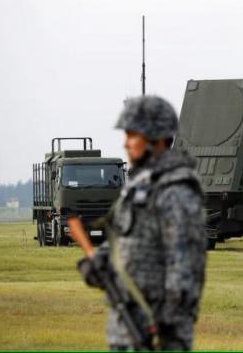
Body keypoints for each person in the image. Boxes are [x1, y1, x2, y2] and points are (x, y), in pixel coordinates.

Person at [78, 95, 206, 350]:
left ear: (157, 139)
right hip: (124, 329)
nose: (126, 144)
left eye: (132, 135)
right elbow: (126, 240)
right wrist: (101, 262)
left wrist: (165, 326)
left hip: (157, 334)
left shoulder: (175, 189)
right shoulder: (138, 186)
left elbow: (185, 265)